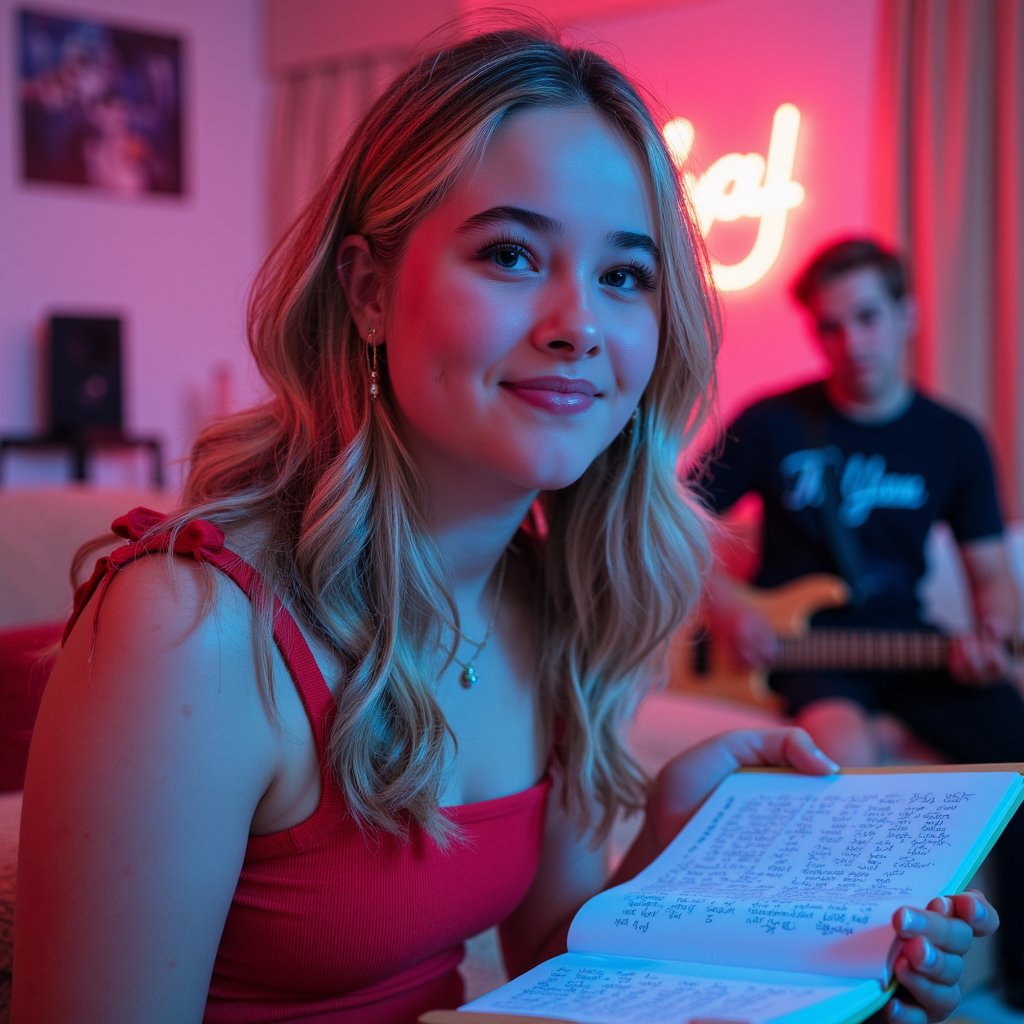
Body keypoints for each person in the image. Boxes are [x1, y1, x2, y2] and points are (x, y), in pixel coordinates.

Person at [12, 25, 997, 1024]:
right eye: (511, 254)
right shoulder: (188, 632)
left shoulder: (543, 599)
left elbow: (551, 975)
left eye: (625, 275)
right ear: (367, 292)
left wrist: (686, 854)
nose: (579, 324)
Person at [694, 234, 1024, 1007]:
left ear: (907, 315)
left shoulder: (953, 437)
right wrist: (728, 606)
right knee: (841, 760)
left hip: (907, 642)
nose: (852, 342)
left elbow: (990, 578)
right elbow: (677, 521)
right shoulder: (774, 422)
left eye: (868, 317)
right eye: (831, 327)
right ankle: (846, 988)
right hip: (807, 649)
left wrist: (991, 634)